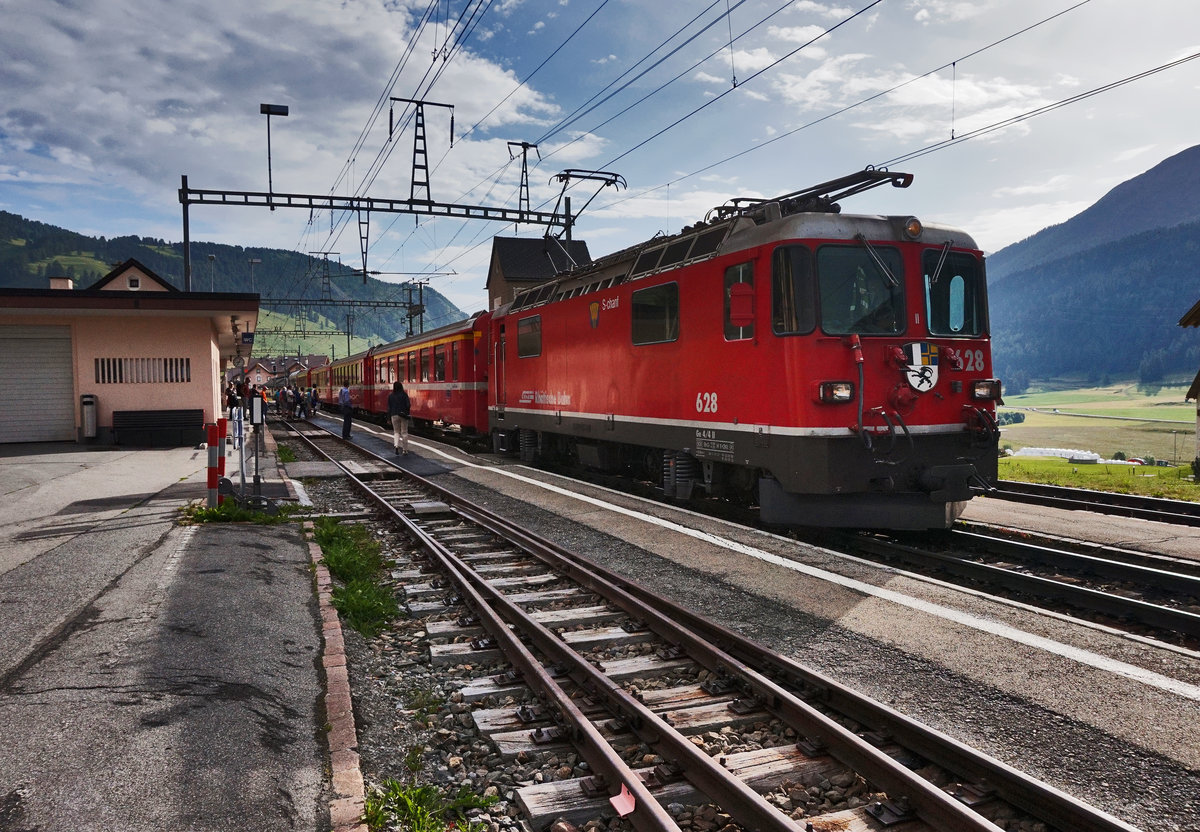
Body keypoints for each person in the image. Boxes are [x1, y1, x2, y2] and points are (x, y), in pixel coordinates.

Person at [387, 381, 411, 455]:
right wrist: (406, 412)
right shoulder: (404, 395)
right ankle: (405, 450)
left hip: (394, 415)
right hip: (403, 415)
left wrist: (388, 418)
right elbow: (408, 405)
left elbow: (389, 408)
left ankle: (396, 446)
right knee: (404, 432)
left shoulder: (390, 396)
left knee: (396, 432)